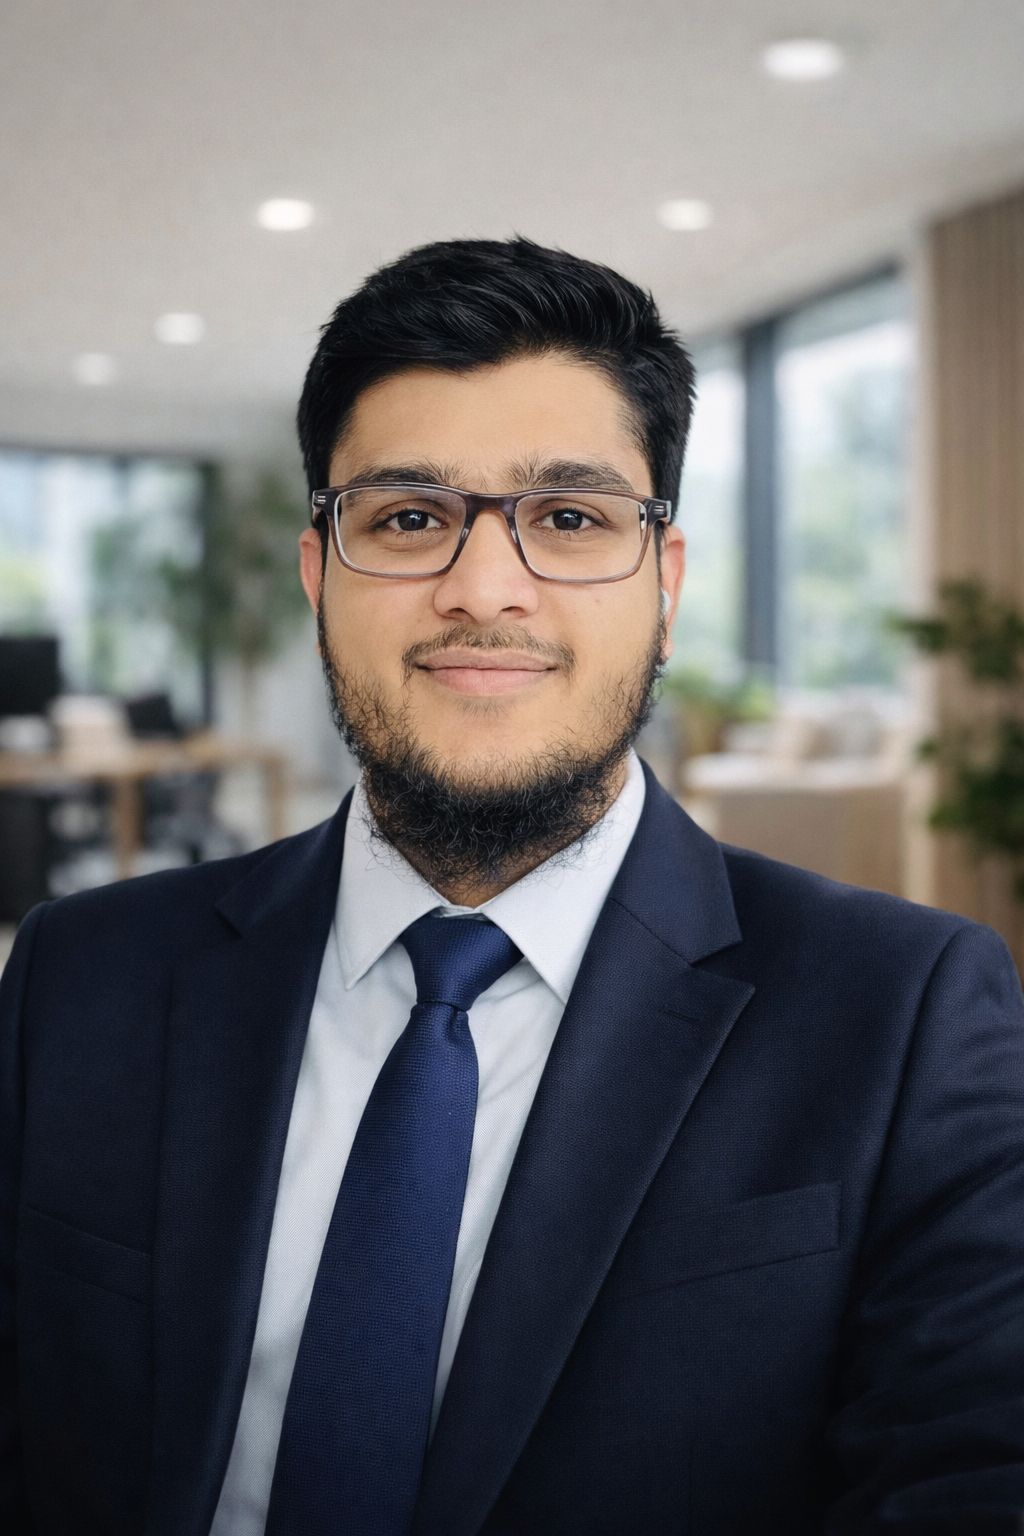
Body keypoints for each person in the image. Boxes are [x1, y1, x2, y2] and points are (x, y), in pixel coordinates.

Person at [2, 236, 1023, 1536]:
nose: (484, 590)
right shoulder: (80, 975)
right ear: (319, 574)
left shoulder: (905, 1011)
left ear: (665, 582)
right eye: (409, 518)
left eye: (571, 519)